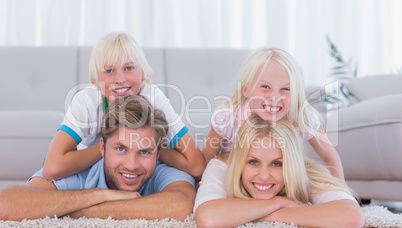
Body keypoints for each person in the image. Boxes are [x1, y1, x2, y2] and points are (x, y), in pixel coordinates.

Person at [0, 95, 196, 221]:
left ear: (158, 154)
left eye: (144, 152)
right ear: (102, 147)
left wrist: (85, 211)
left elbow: (182, 206)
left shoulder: (164, 171)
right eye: (121, 149)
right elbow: (6, 205)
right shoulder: (79, 172)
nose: (131, 165)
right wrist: (98, 195)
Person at [43, 32, 206, 181]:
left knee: (183, 186)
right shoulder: (87, 102)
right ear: (94, 80)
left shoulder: (154, 98)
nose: (120, 79)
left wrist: (149, 149)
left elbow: (197, 166)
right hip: (96, 167)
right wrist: (108, 147)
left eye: (129, 68)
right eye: (108, 71)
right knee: (41, 185)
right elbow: (52, 168)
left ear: (143, 74)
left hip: (142, 170)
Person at [195, 115, 364, 227]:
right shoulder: (222, 166)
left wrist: (249, 214)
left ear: (291, 165)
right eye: (253, 162)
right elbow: (208, 218)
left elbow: (351, 217)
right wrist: (278, 202)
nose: (263, 176)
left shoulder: (305, 172)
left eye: (277, 164)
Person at [203, 47, 344, 180]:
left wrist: (341, 194)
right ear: (245, 90)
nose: (275, 97)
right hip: (235, 180)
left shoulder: (303, 117)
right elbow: (207, 160)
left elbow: (330, 157)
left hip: (279, 181)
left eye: (285, 89)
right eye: (265, 86)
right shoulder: (229, 116)